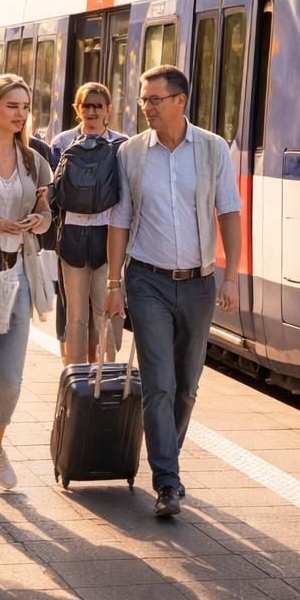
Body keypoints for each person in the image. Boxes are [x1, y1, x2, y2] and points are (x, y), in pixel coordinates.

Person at [104, 65, 241, 518]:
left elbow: (229, 212)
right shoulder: (131, 154)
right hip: (147, 281)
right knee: (159, 384)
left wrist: (232, 275)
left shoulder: (212, 148)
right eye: (143, 100)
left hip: (199, 283)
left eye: (155, 100)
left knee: (186, 387)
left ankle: (169, 460)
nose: (146, 108)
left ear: (180, 101)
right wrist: (114, 283)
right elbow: (120, 219)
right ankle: (167, 481)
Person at [0, 75, 53, 495]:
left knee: (9, 378)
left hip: (17, 270)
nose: (21, 113)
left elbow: (44, 206)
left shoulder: (33, 158)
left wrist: (39, 220)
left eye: (25, 106)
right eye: (12, 105)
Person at [52, 83, 127, 365]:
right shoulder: (62, 143)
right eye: (86, 106)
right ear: (77, 108)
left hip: (107, 235)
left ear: (109, 109)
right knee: (76, 314)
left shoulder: (122, 144)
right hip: (72, 235)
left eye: (98, 106)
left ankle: (105, 373)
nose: (92, 111)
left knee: (104, 309)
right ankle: (76, 378)